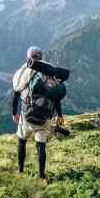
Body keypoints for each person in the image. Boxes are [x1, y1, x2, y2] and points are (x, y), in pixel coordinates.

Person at [11, 46, 65, 179]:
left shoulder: (25, 72)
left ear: (28, 57)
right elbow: (55, 96)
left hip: (27, 114)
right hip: (44, 117)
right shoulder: (49, 72)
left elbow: (16, 93)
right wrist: (59, 115)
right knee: (41, 146)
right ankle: (41, 176)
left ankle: (20, 171)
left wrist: (14, 112)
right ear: (41, 57)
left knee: (22, 140)